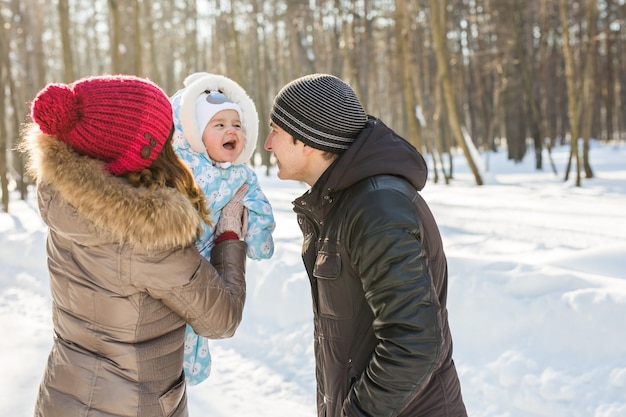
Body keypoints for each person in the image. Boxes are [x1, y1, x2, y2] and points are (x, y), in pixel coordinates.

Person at [21, 74, 249, 417]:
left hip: (62, 397)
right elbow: (221, 319)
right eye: (163, 137)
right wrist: (229, 236)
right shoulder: (147, 238)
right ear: (139, 152)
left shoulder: (63, 200)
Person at [264, 74, 468, 417]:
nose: (268, 143)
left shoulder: (376, 210)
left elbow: (414, 345)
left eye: (276, 131)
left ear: (308, 141)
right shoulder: (341, 204)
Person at [170, 72, 275, 384]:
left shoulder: (243, 177)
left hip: (208, 276)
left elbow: (259, 219)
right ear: (193, 132)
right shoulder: (178, 166)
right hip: (175, 268)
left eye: (237, 125)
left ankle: (185, 377)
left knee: (195, 335)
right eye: (219, 125)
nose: (232, 131)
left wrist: (256, 236)